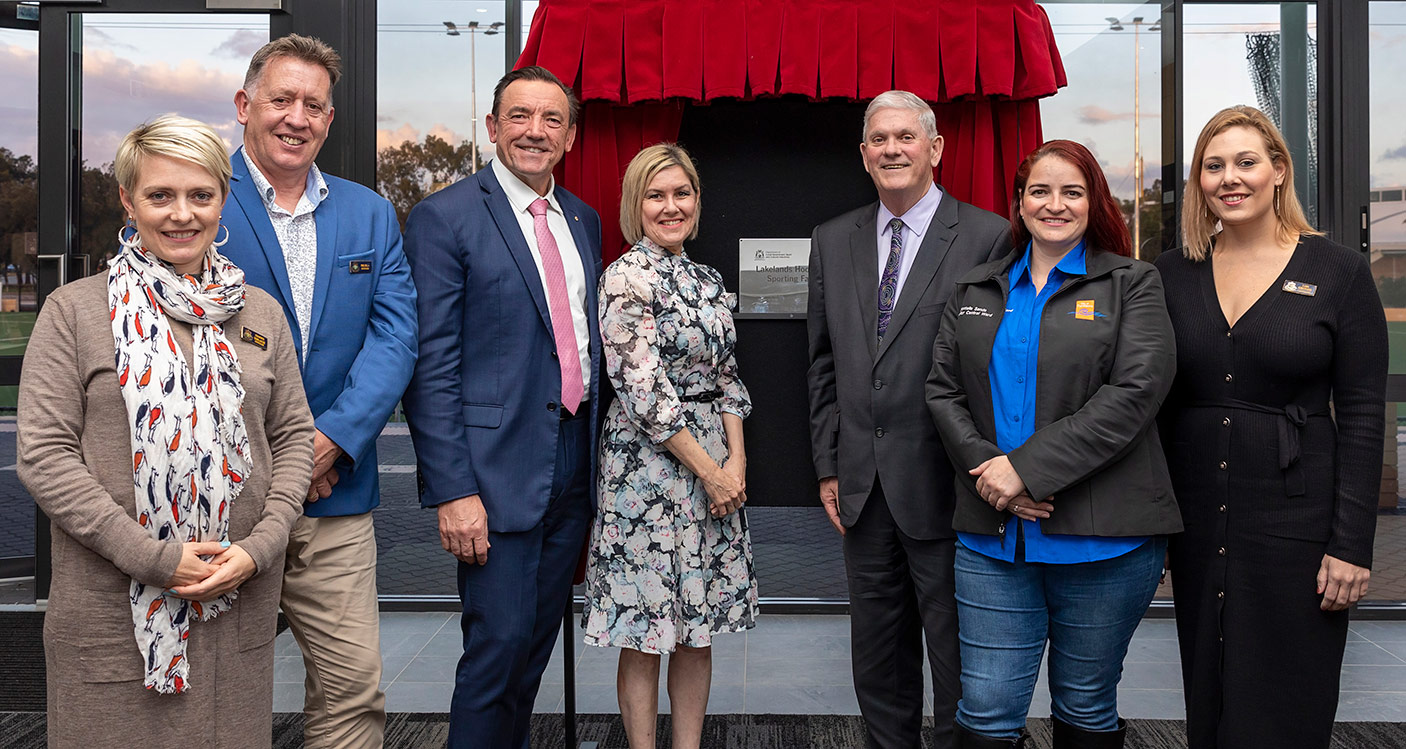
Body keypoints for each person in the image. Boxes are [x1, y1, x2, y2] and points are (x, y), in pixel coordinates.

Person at [17, 115, 314, 748]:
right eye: (160, 195)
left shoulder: (260, 314)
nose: (182, 214)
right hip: (110, 609)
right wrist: (155, 559)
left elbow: (292, 440)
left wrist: (259, 549)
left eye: (200, 195)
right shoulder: (73, 311)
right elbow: (44, 456)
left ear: (223, 198)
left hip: (236, 600)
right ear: (128, 200)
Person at [926, 139, 1180, 748]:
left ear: (1095, 202)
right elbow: (942, 392)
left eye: (1073, 191)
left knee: (1086, 707)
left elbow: (1136, 394)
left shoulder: (1133, 283)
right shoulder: (975, 289)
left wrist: (1027, 471)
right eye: (1040, 191)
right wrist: (996, 477)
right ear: (1019, 203)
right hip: (993, 541)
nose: (1055, 205)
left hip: (1104, 545)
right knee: (985, 713)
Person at [1156, 105, 1387, 749]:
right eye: (1213, 165)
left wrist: (1351, 545)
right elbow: (1151, 404)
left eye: (1246, 162)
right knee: (1209, 694)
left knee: (1287, 699)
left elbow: (1365, 416)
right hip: (1201, 523)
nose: (1230, 178)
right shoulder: (1173, 274)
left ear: (1279, 170)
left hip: (1299, 527)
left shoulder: (1338, 272)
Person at [221, 34, 418, 749]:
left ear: (330, 121)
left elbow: (395, 339)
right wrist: (281, 459)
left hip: (333, 494)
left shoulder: (368, 213)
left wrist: (328, 441)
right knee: (218, 690)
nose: (296, 117)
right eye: (282, 99)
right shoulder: (197, 202)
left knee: (351, 687)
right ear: (246, 106)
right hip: (227, 497)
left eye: (313, 104)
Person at [402, 65, 602, 749]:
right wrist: (454, 489)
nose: (534, 131)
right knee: (495, 654)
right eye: (520, 116)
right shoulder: (444, 218)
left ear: (570, 135)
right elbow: (430, 367)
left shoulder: (583, 218)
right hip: (493, 475)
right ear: (493, 127)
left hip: (573, 467)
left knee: (530, 656)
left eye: (551, 119)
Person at [805, 89, 1009, 749]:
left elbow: (1001, 368)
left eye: (905, 137)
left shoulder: (987, 236)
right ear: (864, 155)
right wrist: (829, 463)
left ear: (935, 148)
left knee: (959, 661)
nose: (892, 149)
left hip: (952, 486)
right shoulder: (833, 239)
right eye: (879, 140)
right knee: (878, 659)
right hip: (863, 490)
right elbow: (823, 363)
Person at [582, 144, 758, 749]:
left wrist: (736, 462)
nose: (671, 206)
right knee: (644, 626)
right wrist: (712, 471)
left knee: (697, 627)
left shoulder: (707, 278)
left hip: (713, 465)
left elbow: (729, 377)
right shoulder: (625, 275)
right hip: (648, 472)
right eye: (656, 195)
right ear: (636, 204)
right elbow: (644, 393)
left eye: (682, 193)